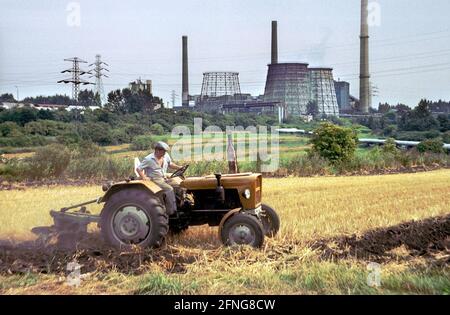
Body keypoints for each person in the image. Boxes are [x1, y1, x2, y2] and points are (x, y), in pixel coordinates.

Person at [136, 141, 182, 215]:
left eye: (165, 151)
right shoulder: (148, 159)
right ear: (157, 150)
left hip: (164, 177)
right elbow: (139, 169)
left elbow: (170, 164)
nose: (164, 153)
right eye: (163, 151)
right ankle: (171, 211)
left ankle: (180, 205)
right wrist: (144, 177)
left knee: (179, 185)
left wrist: (179, 167)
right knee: (169, 189)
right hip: (155, 179)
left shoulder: (166, 156)